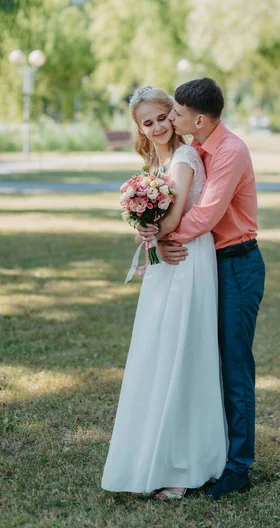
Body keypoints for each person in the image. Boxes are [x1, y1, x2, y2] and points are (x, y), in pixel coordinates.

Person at [138, 78, 265, 500]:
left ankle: (238, 467)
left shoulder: (229, 151)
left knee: (233, 364)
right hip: (208, 265)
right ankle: (210, 451)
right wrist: (153, 234)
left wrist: (163, 240)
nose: (170, 118)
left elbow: (207, 213)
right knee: (203, 360)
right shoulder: (198, 150)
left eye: (174, 112)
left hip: (237, 265)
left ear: (199, 119)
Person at [101, 86, 227, 500]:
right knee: (157, 352)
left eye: (161, 117)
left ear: (173, 116)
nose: (157, 126)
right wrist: (144, 229)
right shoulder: (155, 161)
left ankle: (184, 466)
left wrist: (154, 230)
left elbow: (173, 219)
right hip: (165, 260)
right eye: (147, 122)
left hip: (188, 259)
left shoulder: (186, 157)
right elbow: (158, 222)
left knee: (182, 350)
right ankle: (150, 457)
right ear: (138, 127)